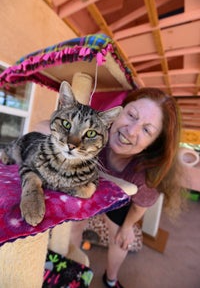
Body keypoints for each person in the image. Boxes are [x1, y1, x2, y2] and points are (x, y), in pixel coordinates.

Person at [70, 87, 184, 288]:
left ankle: (111, 279)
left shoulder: (146, 174)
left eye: (147, 130)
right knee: (74, 224)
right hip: (89, 184)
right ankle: (71, 266)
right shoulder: (94, 130)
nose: (131, 131)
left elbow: (139, 207)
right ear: (119, 110)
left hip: (120, 199)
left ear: (153, 144)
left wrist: (128, 227)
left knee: (121, 240)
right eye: (131, 115)